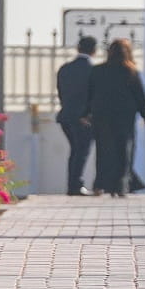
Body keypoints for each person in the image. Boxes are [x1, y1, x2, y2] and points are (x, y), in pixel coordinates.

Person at [84, 38, 145, 197]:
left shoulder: (97, 70)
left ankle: (99, 185)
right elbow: (140, 96)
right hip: (125, 117)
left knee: (103, 151)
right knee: (125, 151)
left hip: (101, 116)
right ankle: (121, 186)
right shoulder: (131, 71)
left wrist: (85, 113)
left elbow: (89, 94)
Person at [55, 37, 97, 196]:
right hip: (84, 118)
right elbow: (93, 96)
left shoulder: (65, 68)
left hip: (66, 116)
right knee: (82, 151)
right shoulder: (93, 70)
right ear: (94, 51)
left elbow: (61, 93)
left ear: (78, 48)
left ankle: (73, 184)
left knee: (75, 151)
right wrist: (87, 114)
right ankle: (75, 185)